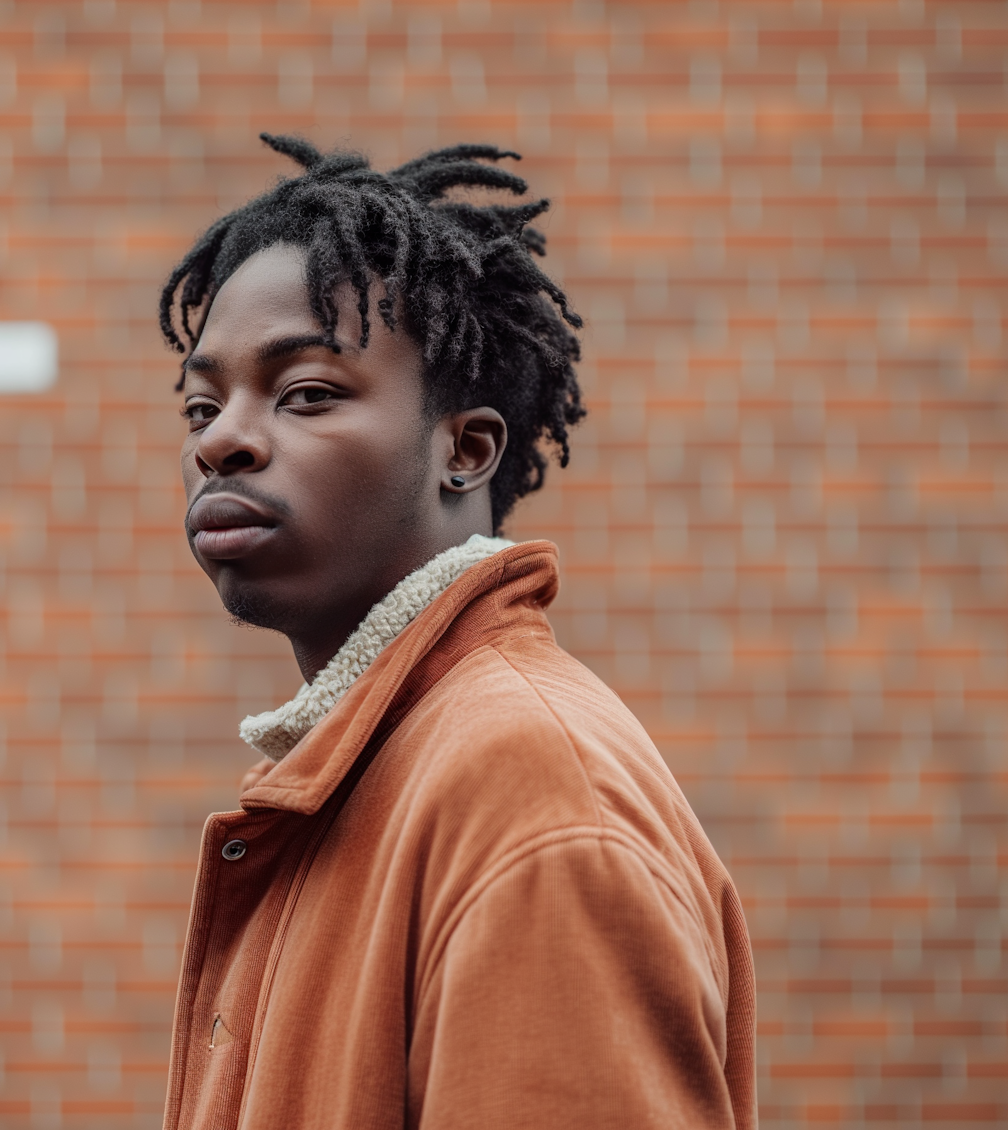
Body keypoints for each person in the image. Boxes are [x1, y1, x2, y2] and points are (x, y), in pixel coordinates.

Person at [156, 134, 755, 1130]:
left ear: (465, 450)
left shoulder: (530, 791)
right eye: (201, 404)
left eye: (305, 391)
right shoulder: (361, 771)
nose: (219, 439)